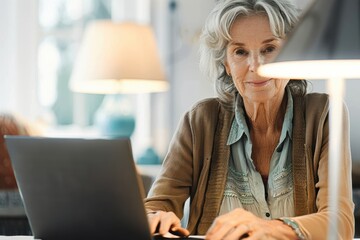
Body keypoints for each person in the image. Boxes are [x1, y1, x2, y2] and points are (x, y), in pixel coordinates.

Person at [145, 0, 355, 239]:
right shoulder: (199, 121)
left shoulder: (325, 113)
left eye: (269, 49)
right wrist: (155, 217)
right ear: (226, 64)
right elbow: (155, 207)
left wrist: (269, 228)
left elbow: (340, 223)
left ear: (290, 54)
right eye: (240, 52)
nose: (256, 66)